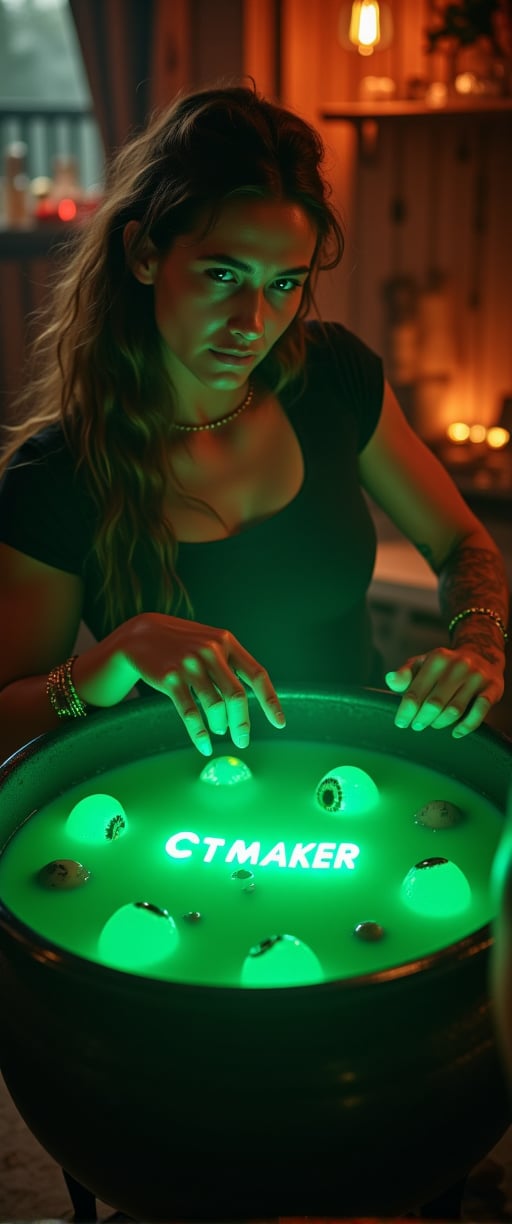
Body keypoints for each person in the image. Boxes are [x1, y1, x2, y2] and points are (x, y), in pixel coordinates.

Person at [0, 79, 508, 765]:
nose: (253, 324)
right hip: (176, 819)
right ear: (145, 255)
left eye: (283, 284)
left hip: (357, 777)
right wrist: (113, 658)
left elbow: (460, 543)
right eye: (221, 275)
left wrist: (476, 644)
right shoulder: (54, 479)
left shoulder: (334, 379)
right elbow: (7, 718)